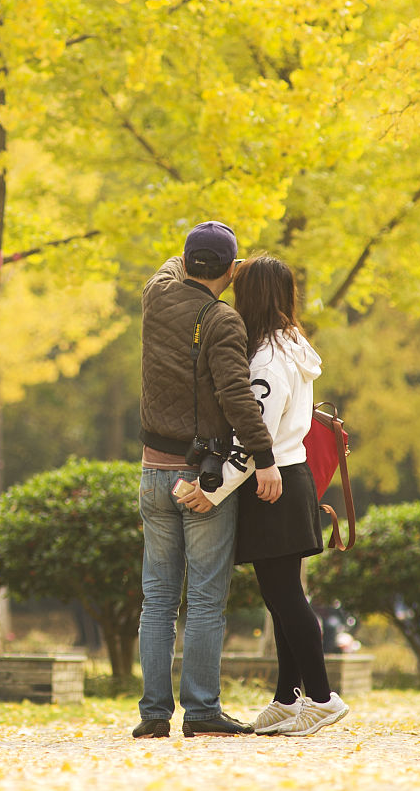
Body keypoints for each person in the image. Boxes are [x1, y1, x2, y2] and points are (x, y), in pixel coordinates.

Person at [179, 254, 349, 737]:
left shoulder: (268, 361)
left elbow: (256, 437)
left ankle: (320, 696)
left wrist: (211, 492)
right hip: (287, 480)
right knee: (281, 598)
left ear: (251, 296)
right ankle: (286, 698)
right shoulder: (289, 344)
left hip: (273, 483)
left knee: (286, 598)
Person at [134, 221, 283, 740]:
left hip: (154, 472)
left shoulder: (156, 297)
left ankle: (153, 713)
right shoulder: (223, 320)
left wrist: (195, 259)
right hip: (202, 478)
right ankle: (200, 711)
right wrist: (264, 458)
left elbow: (170, 268)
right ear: (232, 269)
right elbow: (238, 398)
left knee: (157, 599)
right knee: (202, 599)